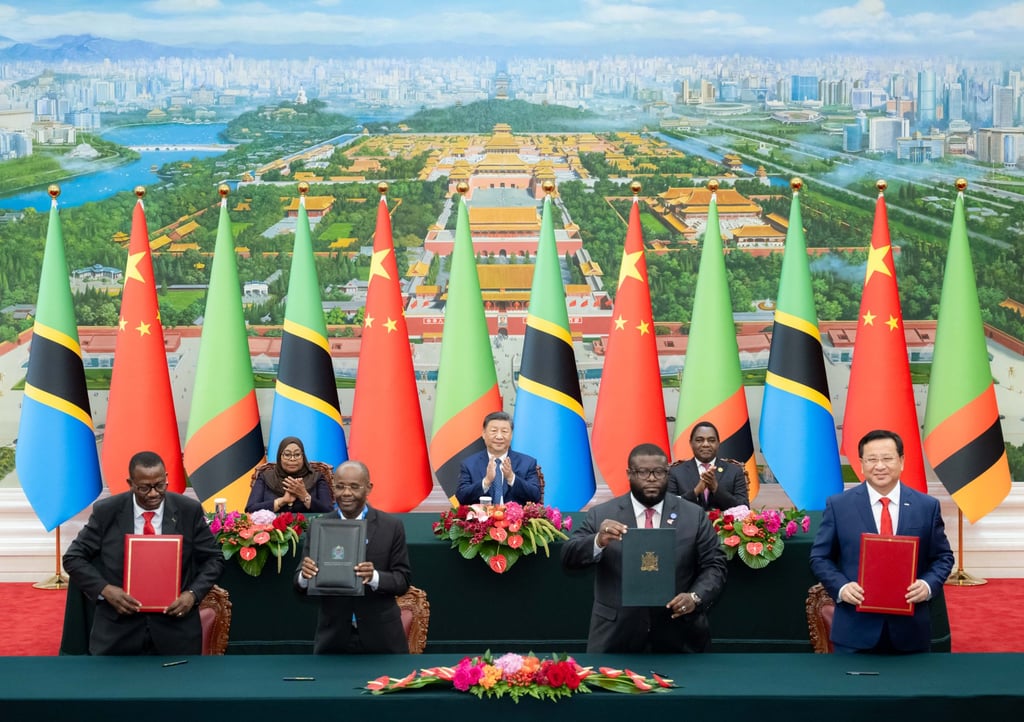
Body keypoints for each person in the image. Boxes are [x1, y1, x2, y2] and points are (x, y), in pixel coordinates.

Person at [561, 442, 727, 653]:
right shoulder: (601, 515)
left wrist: (695, 597)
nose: (651, 478)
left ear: (668, 474)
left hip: (680, 637)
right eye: (643, 472)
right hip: (615, 637)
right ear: (629, 474)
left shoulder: (693, 516)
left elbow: (715, 565)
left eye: (659, 472)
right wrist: (598, 540)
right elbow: (568, 557)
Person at [63, 451, 224, 655]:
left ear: (166, 478)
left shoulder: (187, 510)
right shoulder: (107, 511)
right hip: (117, 630)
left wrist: (192, 594)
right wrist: (105, 590)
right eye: (144, 488)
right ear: (130, 483)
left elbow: (214, 559)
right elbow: (73, 558)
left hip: (175, 630)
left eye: (159, 485)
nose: (153, 494)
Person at [810, 429, 954, 654]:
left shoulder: (926, 506)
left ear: (902, 461)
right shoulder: (839, 505)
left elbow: (943, 557)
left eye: (887, 458)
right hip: (854, 631)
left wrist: (927, 585)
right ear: (861, 463)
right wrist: (842, 587)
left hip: (911, 632)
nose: (879, 466)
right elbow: (820, 557)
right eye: (872, 459)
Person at [296, 460, 411, 654]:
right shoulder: (319, 526)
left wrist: (374, 577)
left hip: (383, 640)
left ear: (368, 488)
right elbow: (298, 585)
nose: (346, 493)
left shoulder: (391, 526)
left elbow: (403, 580)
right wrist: (304, 578)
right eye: (340, 487)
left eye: (354, 487)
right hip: (333, 639)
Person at [455, 411, 541, 505]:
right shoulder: (469, 464)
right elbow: (462, 497)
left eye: (504, 431)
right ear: (484, 434)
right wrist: (486, 481)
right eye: (493, 431)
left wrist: (512, 478)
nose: (499, 436)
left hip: (516, 519)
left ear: (511, 435)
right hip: (482, 519)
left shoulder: (527, 463)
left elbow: (535, 496)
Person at [667, 421, 749, 510]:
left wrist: (716, 488)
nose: (706, 444)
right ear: (691, 443)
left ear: (718, 443)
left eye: (711, 440)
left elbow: (743, 508)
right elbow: (669, 507)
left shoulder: (734, 471)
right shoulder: (675, 472)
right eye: (699, 440)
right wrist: (696, 492)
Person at [245, 436, 333, 513]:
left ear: (303, 457)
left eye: (297, 454)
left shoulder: (316, 477)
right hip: (273, 530)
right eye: (287, 455)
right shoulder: (265, 477)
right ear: (280, 457)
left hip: (310, 529)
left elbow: (328, 511)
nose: (292, 459)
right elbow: (251, 509)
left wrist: (304, 496)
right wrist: (282, 501)